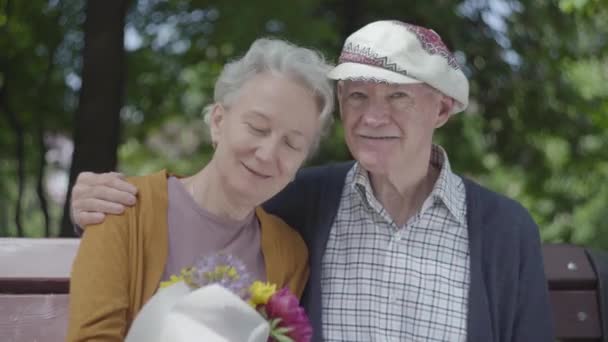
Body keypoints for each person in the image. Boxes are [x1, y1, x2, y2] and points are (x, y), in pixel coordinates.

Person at [70, 20, 554, 341]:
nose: (372, 116)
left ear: (442, 108)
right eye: (357, 95)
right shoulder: (304, 205)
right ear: (218, 120)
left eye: (398, 98)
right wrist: (91, 205)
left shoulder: (504, 232)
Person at [66, 37, 334, 341]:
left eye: (292, 144)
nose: (268, 153)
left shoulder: (290, 251)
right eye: (258, 128)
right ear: (218, 121)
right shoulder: (121, 208)